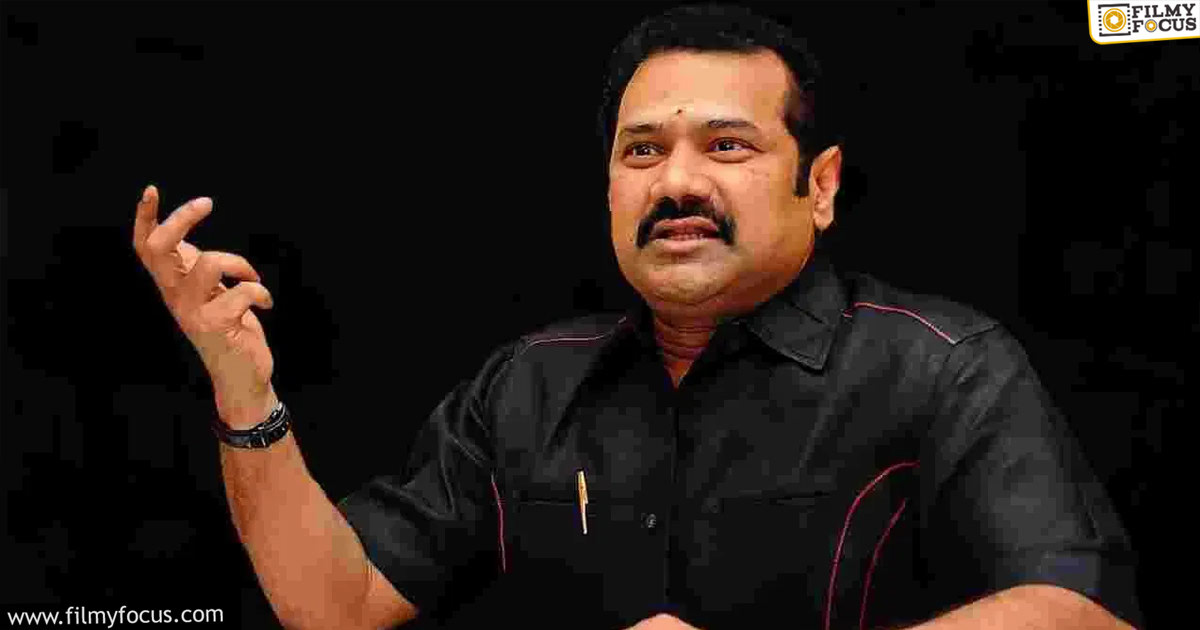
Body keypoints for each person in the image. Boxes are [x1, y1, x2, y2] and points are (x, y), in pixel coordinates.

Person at [131, 4, 1141, 629]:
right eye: (642, 151)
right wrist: (243, 390)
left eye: (728, 147)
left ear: (821, 185)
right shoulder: (527, 386)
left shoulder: (944, 365)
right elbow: (335, 606)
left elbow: (1082, 611)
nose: (677, 182)